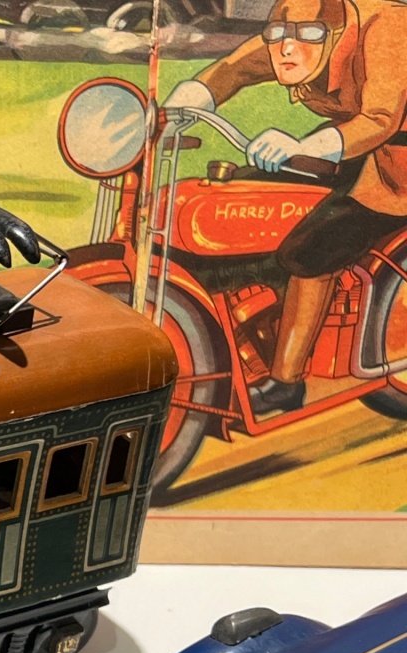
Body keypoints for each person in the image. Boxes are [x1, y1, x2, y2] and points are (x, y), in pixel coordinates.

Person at [162, 0, 407, 417]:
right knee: (249, 189)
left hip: (396, 163)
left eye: (307, 35)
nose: (287, 48)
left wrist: (304, 146)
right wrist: (188, 100)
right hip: (355, 146)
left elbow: (379, 119)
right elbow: (236, 67)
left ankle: (286, 382)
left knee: (313, 248)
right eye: (278, 35)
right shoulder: (296, 28)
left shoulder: (389, 25)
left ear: (335, 34)